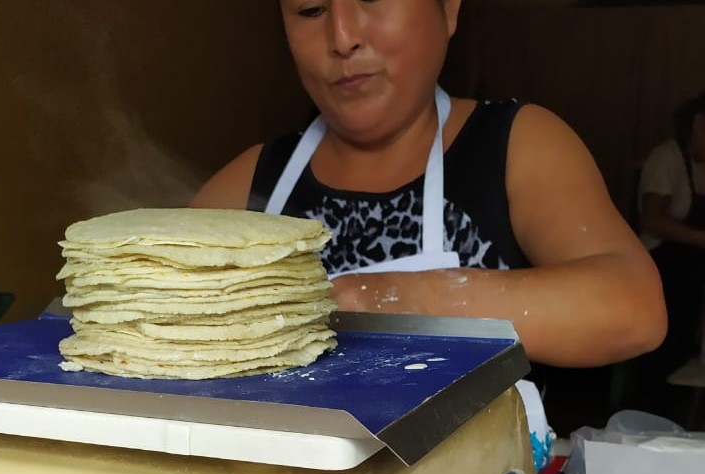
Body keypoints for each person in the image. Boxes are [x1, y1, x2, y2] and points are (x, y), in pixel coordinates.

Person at [192, 0, 666, 372]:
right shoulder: (253, 181)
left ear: (449, 8)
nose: (341, 38)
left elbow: (632, 308)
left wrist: (386, 298)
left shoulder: (515, 144)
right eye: (310, 11)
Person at [636, 91, 705, 413]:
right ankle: (652, 410)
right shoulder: (666, 158)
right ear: (697, 124)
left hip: (692, 270)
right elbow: (652, 219)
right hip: (661, 269)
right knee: (665, 352)